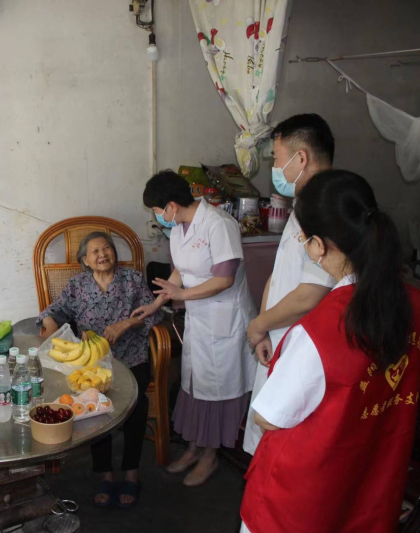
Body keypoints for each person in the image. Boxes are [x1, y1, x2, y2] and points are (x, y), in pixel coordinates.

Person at [240, 170, 420, 533]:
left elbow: (268, 416)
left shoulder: (320, 331)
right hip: (371, 479)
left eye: (304, 236)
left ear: (318, 245)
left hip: (305, 499)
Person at [133, 171, 256, 486]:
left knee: (218, 392)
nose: (157, 216)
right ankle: (193, 449)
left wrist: (182, 296)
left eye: (157, 210)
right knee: (197, 387)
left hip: (225, 321)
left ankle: (210, 457)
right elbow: (180, 273)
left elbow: (224, 279)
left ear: (171, 205)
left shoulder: (219, 224)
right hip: (200, 321)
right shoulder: (178, 230)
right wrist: (155, 304)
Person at [38, 232, 161, 508]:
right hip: (92, 363)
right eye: (95, 251)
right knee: (94, 404)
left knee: (137, 403)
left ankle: (132, 472)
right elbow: (54, 311)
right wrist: (49, 323)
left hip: (131, 357)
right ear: (85, 260)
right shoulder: (78, 285)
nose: (102, 254)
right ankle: (105, 473)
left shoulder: (132, 280)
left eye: (107, 248)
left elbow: (153, 313)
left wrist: (126, 324)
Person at [242, 114, 336, 455]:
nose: (275, 168)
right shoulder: (302, 207)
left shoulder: (328, 210)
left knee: (283, 443)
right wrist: (264, 328)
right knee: (266, 440)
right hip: (278, 337)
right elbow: (279, 272)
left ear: (301, 158)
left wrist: (257, 326)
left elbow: (311, 294)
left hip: (302, 346)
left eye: (276, 158)